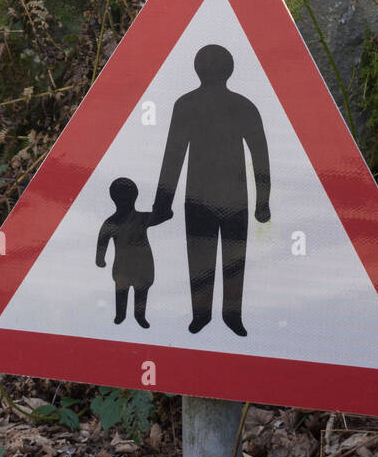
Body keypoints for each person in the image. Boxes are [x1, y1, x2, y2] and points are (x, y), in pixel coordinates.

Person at [152, 44, 270, 336]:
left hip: (203, 198)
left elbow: (172, 158)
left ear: (197, 69)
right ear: (229, 69)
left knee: (204, 259)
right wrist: (263, 202)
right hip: (229, 199)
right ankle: (221, 317)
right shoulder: (243, 105)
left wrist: (162, 204)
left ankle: (207, 316)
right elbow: (261, 158)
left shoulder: (187, 105)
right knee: (231, 260)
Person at [95, 177, 158, 328]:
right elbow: (102, 241)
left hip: (141, 265)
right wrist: (100, 259)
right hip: (125, 265)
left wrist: (164, 207)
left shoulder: (141, 218)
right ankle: (120, 315)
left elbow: (163, 216)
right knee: (122, 290)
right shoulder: (113, 222)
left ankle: (139, 316)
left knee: (140, 290)